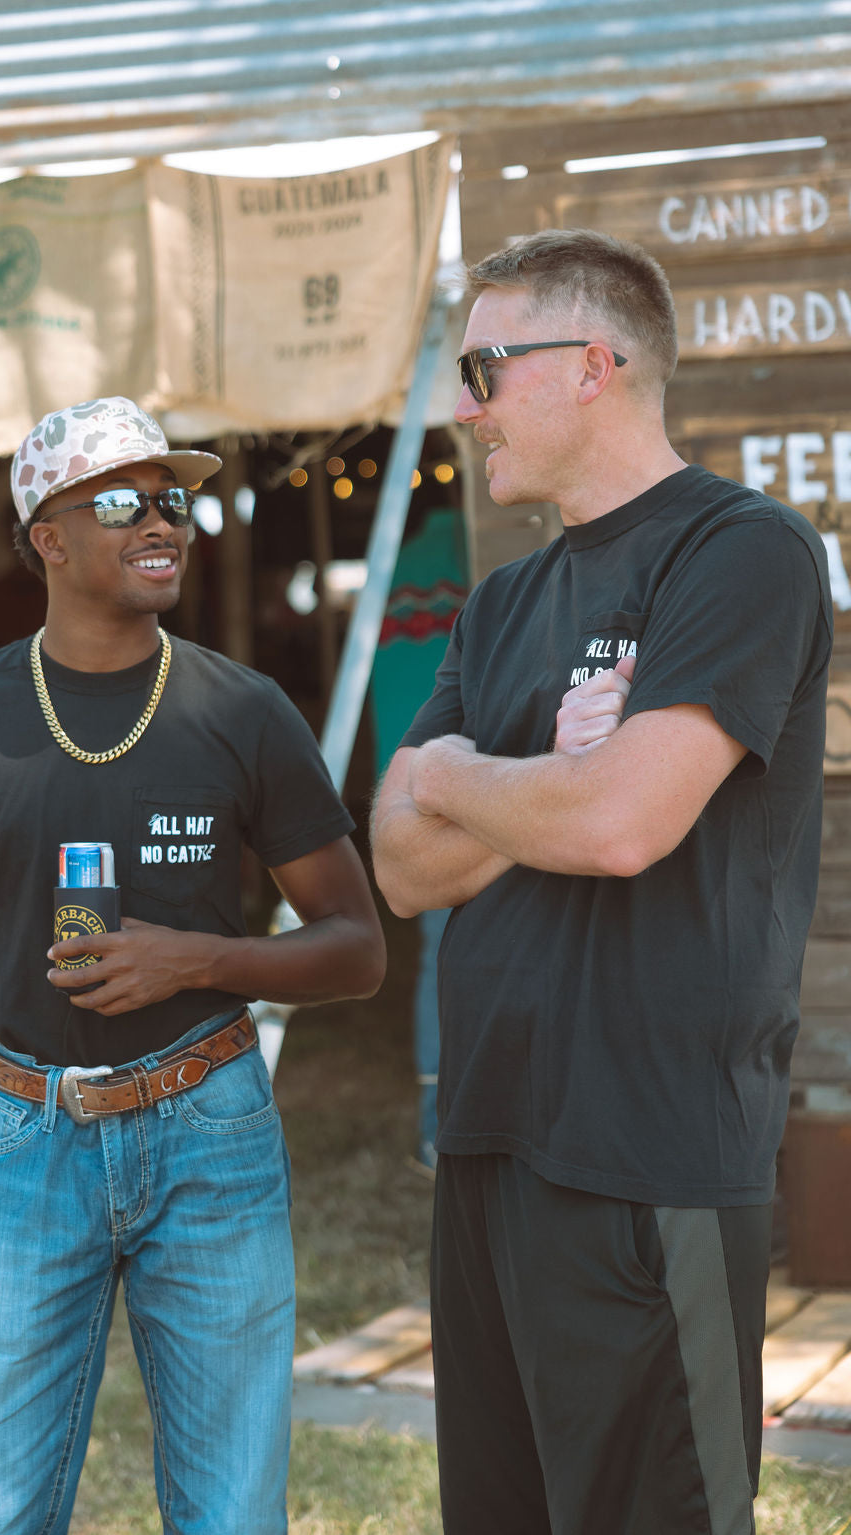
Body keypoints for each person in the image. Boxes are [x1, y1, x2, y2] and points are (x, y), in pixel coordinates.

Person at [370, 231, 832, 1535]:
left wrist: (459, 771)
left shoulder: (742, 553)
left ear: (593, 364)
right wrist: (530, 782)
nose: (466, 408)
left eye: (485, 368)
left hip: (652, 1155)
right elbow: (400, 865)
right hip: (490, 1143)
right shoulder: (501, 601)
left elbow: (627, 818)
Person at [0, 395, 386, 1535]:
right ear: (46, 535)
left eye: (173, 497)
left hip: (211, 1127)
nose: (164, 521)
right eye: (122, 499)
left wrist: (197, 958)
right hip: (22, 1141)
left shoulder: (241, 709)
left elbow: (357, 947)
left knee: (229, 1512)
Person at [368, 505, 469, 1172]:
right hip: (481, 771)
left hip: (403, 779)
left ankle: (437, 1130)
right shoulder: (483, 557)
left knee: (439, 953)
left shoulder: (394, 570)